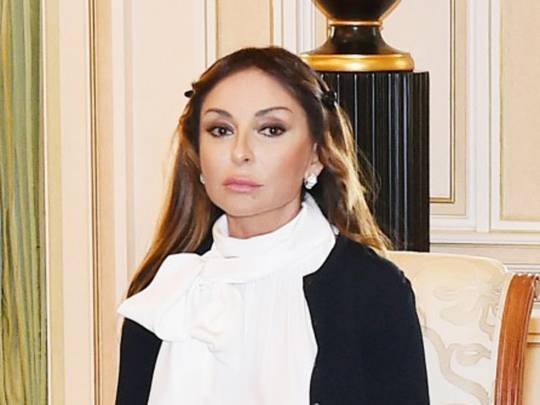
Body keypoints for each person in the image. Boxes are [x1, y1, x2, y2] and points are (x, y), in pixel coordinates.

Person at [115, 46, 430, 405]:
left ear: (316, 155)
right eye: (221, 130)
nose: (240, 153)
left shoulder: (371, 289)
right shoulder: (165, 290)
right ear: (197, 155)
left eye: (271, 129)